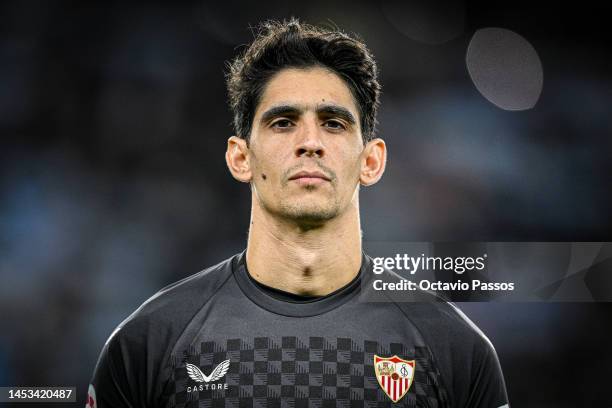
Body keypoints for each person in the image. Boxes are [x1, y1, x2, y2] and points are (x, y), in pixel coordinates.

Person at [87, 18, 509, 408]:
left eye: (334, 123)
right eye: (284, 122)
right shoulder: (150, 342)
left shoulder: (454, 348)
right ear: (241, 158)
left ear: (371, 161)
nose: (310, 142)